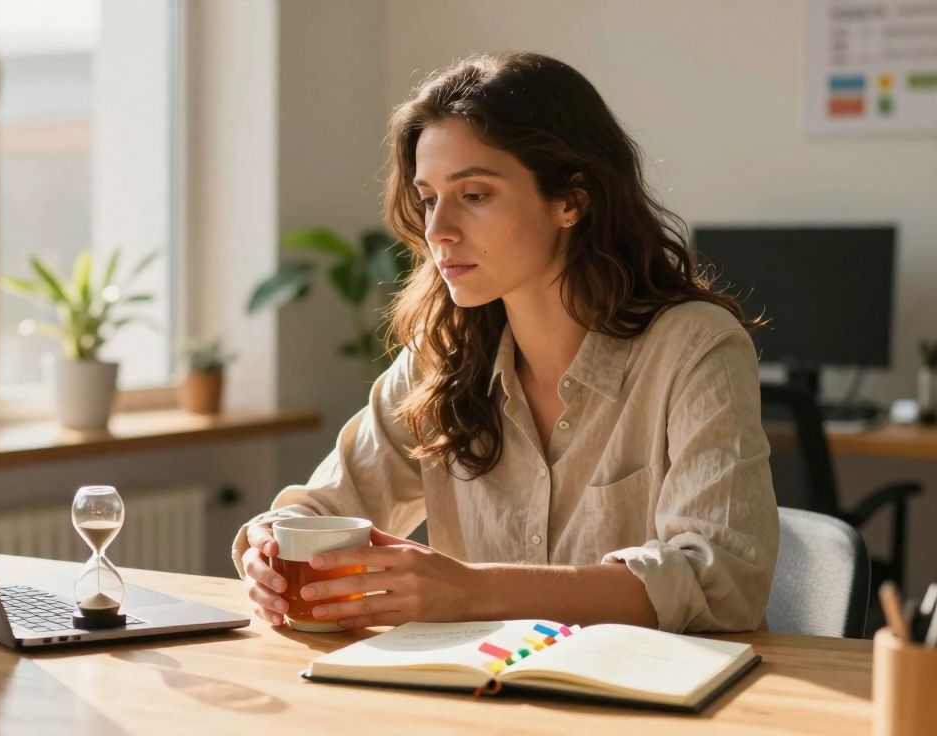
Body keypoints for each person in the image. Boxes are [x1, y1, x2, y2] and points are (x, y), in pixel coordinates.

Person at [231, 52, 778, 634]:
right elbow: (318, 509)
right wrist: (268, 549)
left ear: (571, 200)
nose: (438, 230)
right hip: (479, 704)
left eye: (474, 194)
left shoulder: (694, 349)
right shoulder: (439, 359)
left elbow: (720, 579)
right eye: (428, 198)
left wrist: (470, 591)